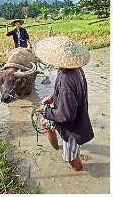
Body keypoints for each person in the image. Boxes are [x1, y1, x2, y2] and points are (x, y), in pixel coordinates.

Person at [36, 36, 94, 171]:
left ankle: (79, 172)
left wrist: (45, 110)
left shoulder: (66, 79)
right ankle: (56, 148)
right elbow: (72, 94)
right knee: (44, 122)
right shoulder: (76, 69)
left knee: (71, 159)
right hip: (69, 114)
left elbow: (66, 115)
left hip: (72, 128)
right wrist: (53, 98)